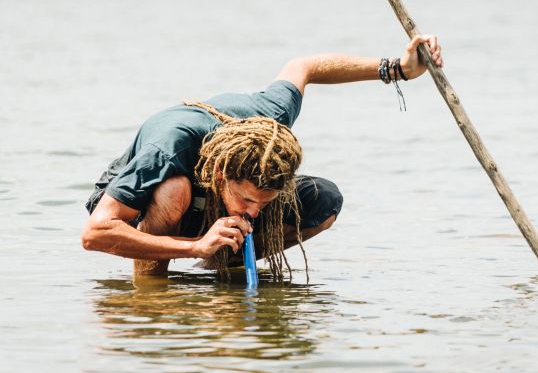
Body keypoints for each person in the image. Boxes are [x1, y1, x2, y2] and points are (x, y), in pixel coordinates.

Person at [81, 34, 444, 279]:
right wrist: (194, 247)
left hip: (208, 208)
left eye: (263, 201)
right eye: (248, 199)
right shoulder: (167, 147)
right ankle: (154, 291)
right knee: (174, 191)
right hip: (145, 201)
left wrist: (398, 68)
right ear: (221, 173)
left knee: (325, 200)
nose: (255, 212)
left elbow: (305, 67)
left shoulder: (271, 118)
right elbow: (95, 233)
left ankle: (223, 264)